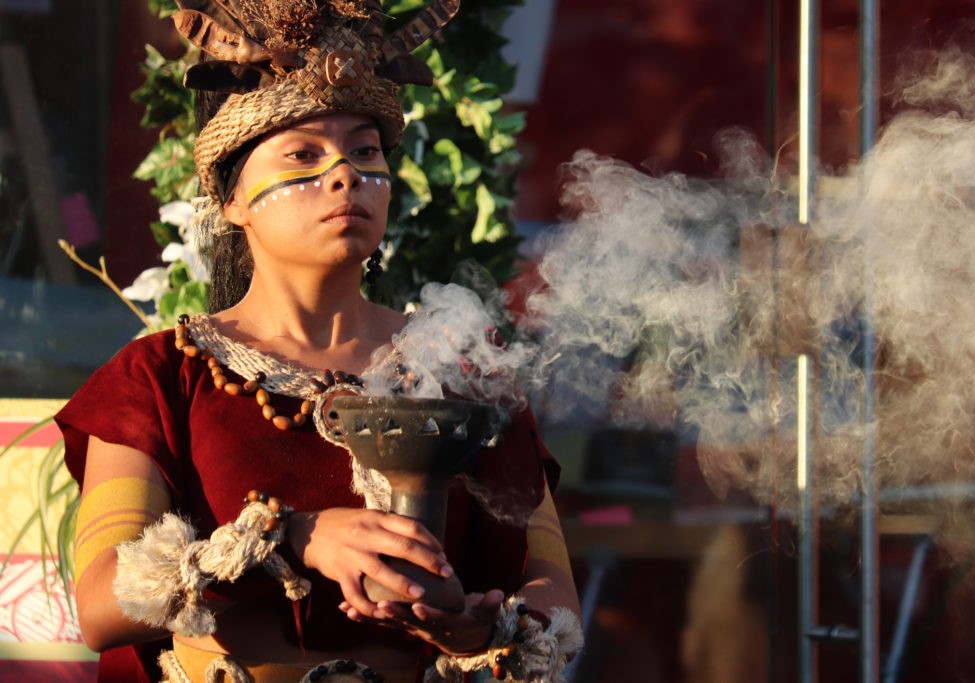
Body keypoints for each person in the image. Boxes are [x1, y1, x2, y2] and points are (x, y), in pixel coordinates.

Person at [55, 1, 582, 681]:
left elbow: (556, 602)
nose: (345, 175)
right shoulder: (159, 377)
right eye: (305, 154)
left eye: (365, 151)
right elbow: (100, 603)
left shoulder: (463, 373)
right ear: (231, 200)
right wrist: (293, 538)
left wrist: (475, 622)